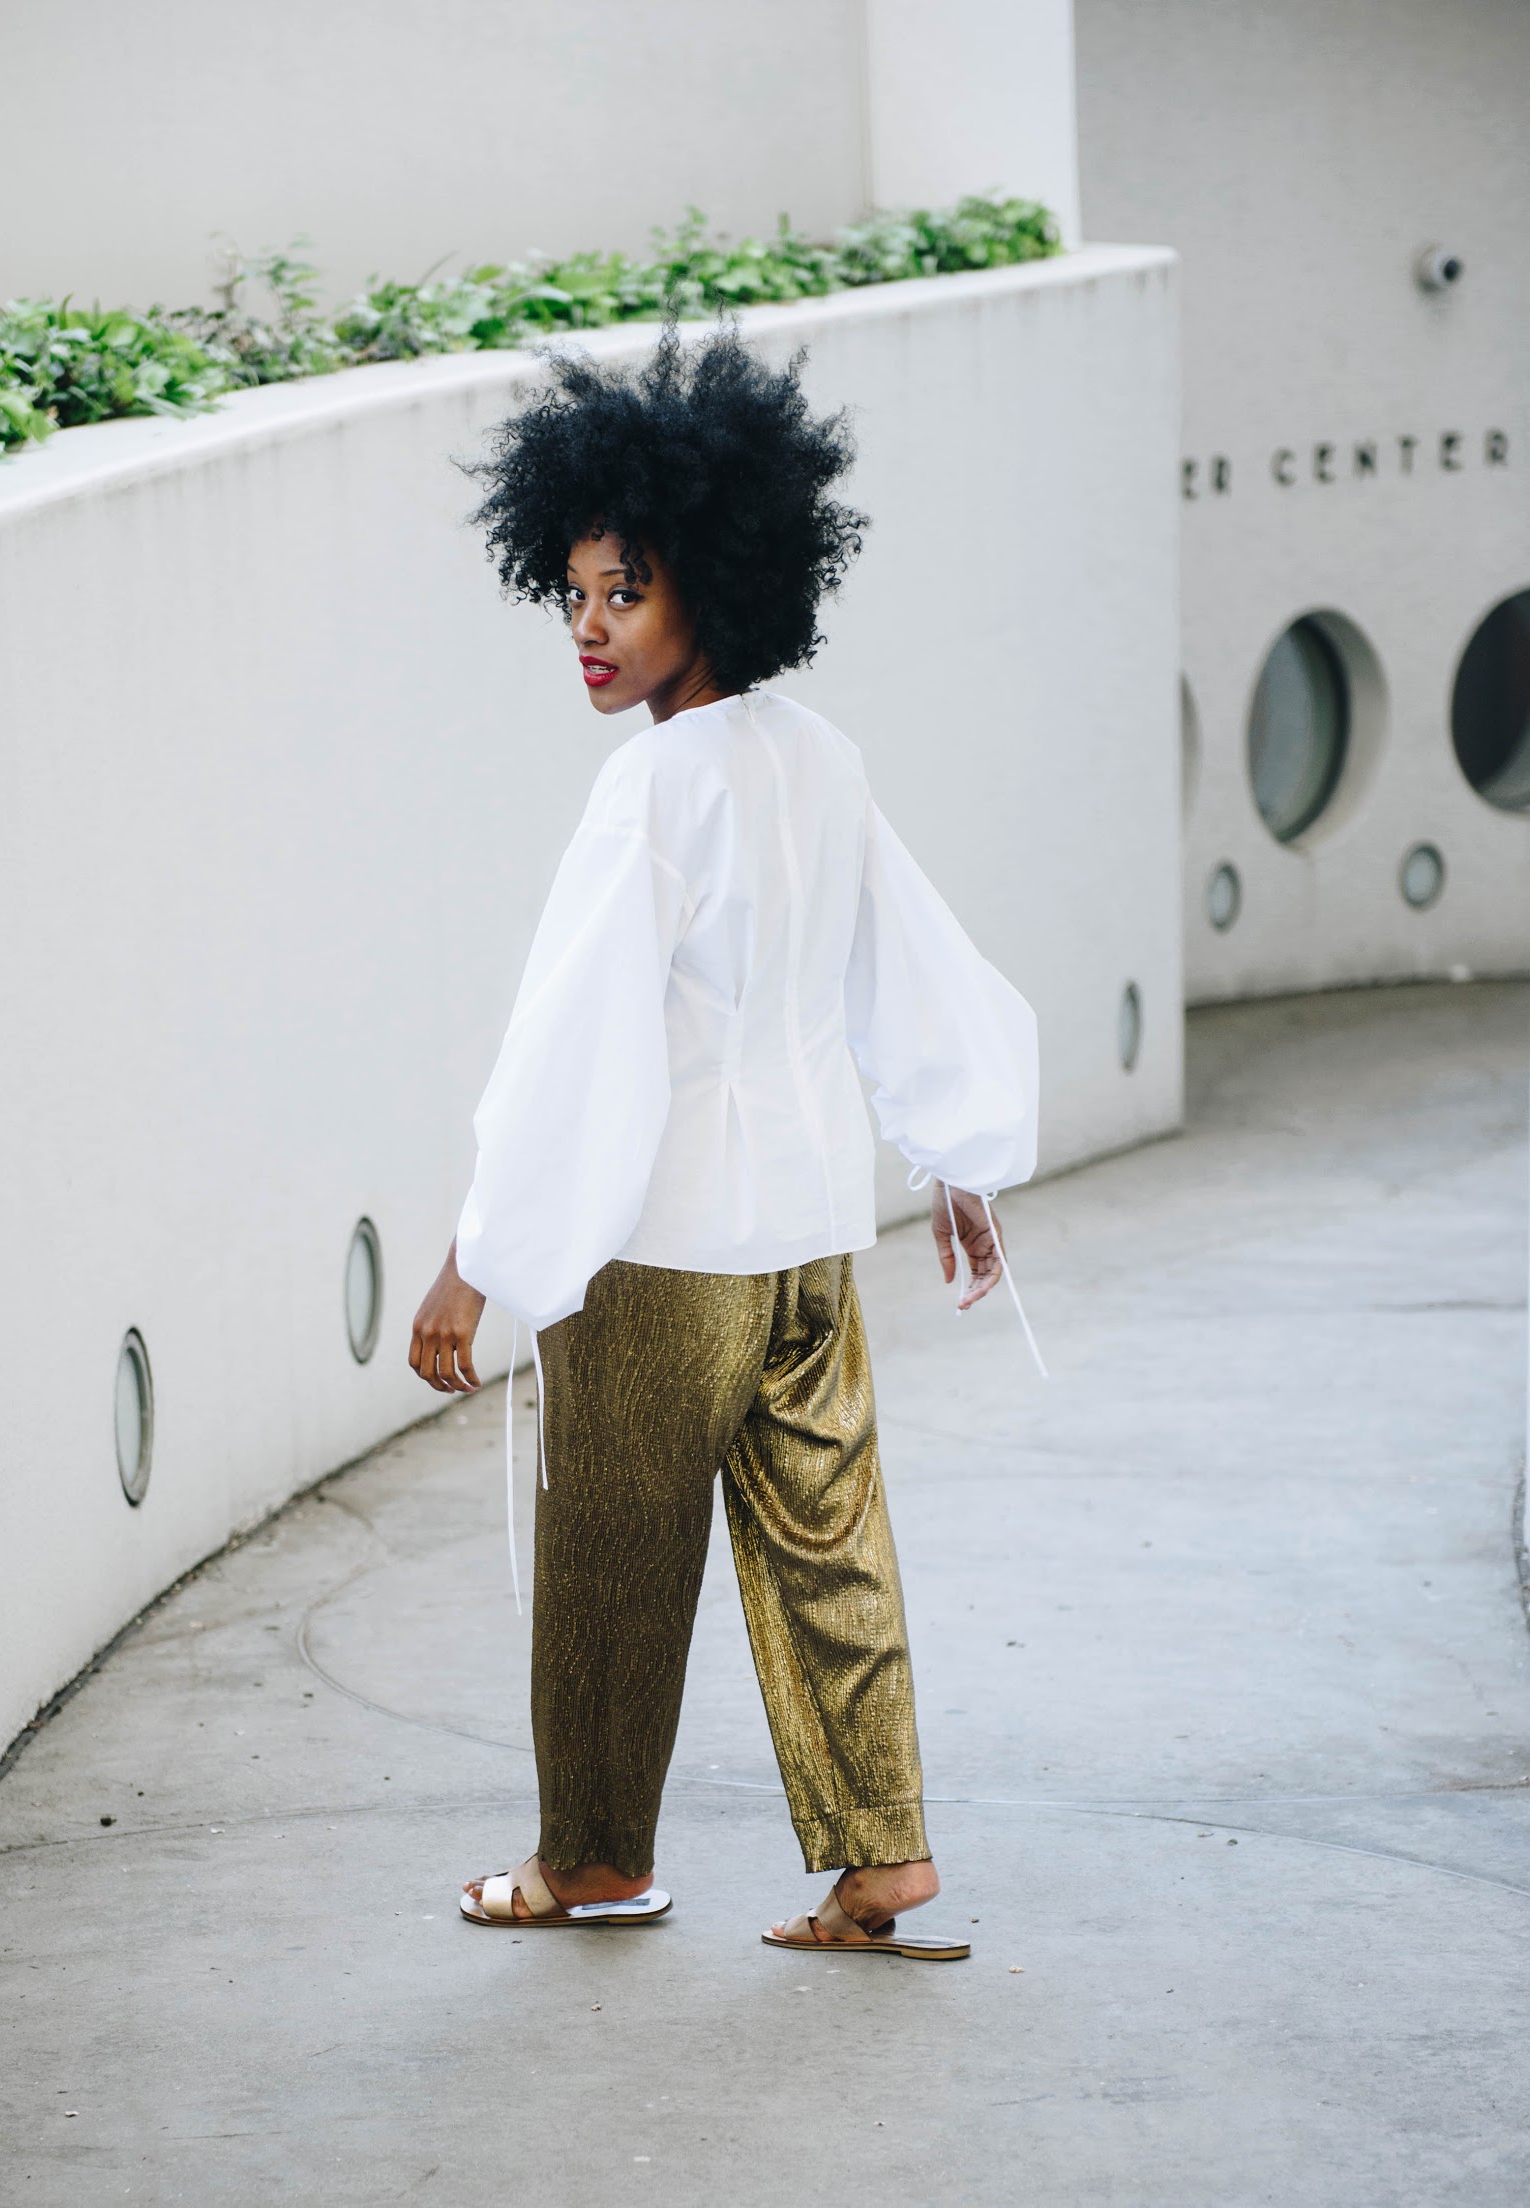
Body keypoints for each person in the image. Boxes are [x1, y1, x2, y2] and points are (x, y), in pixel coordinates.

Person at [408, 327, 1037, 1961]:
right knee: (831, 1540)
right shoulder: (818, 758)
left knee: (612, 1564)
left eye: (621, 590)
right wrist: (952, 1154)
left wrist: (476, 1258)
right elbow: (913, 960)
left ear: (711, 580)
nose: (586, 629)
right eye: (571, 594)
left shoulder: (648, 794)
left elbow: (569, 1049)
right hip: (813, 1232)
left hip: (661, 1244)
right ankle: (880, 1853)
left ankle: (592, 1860)